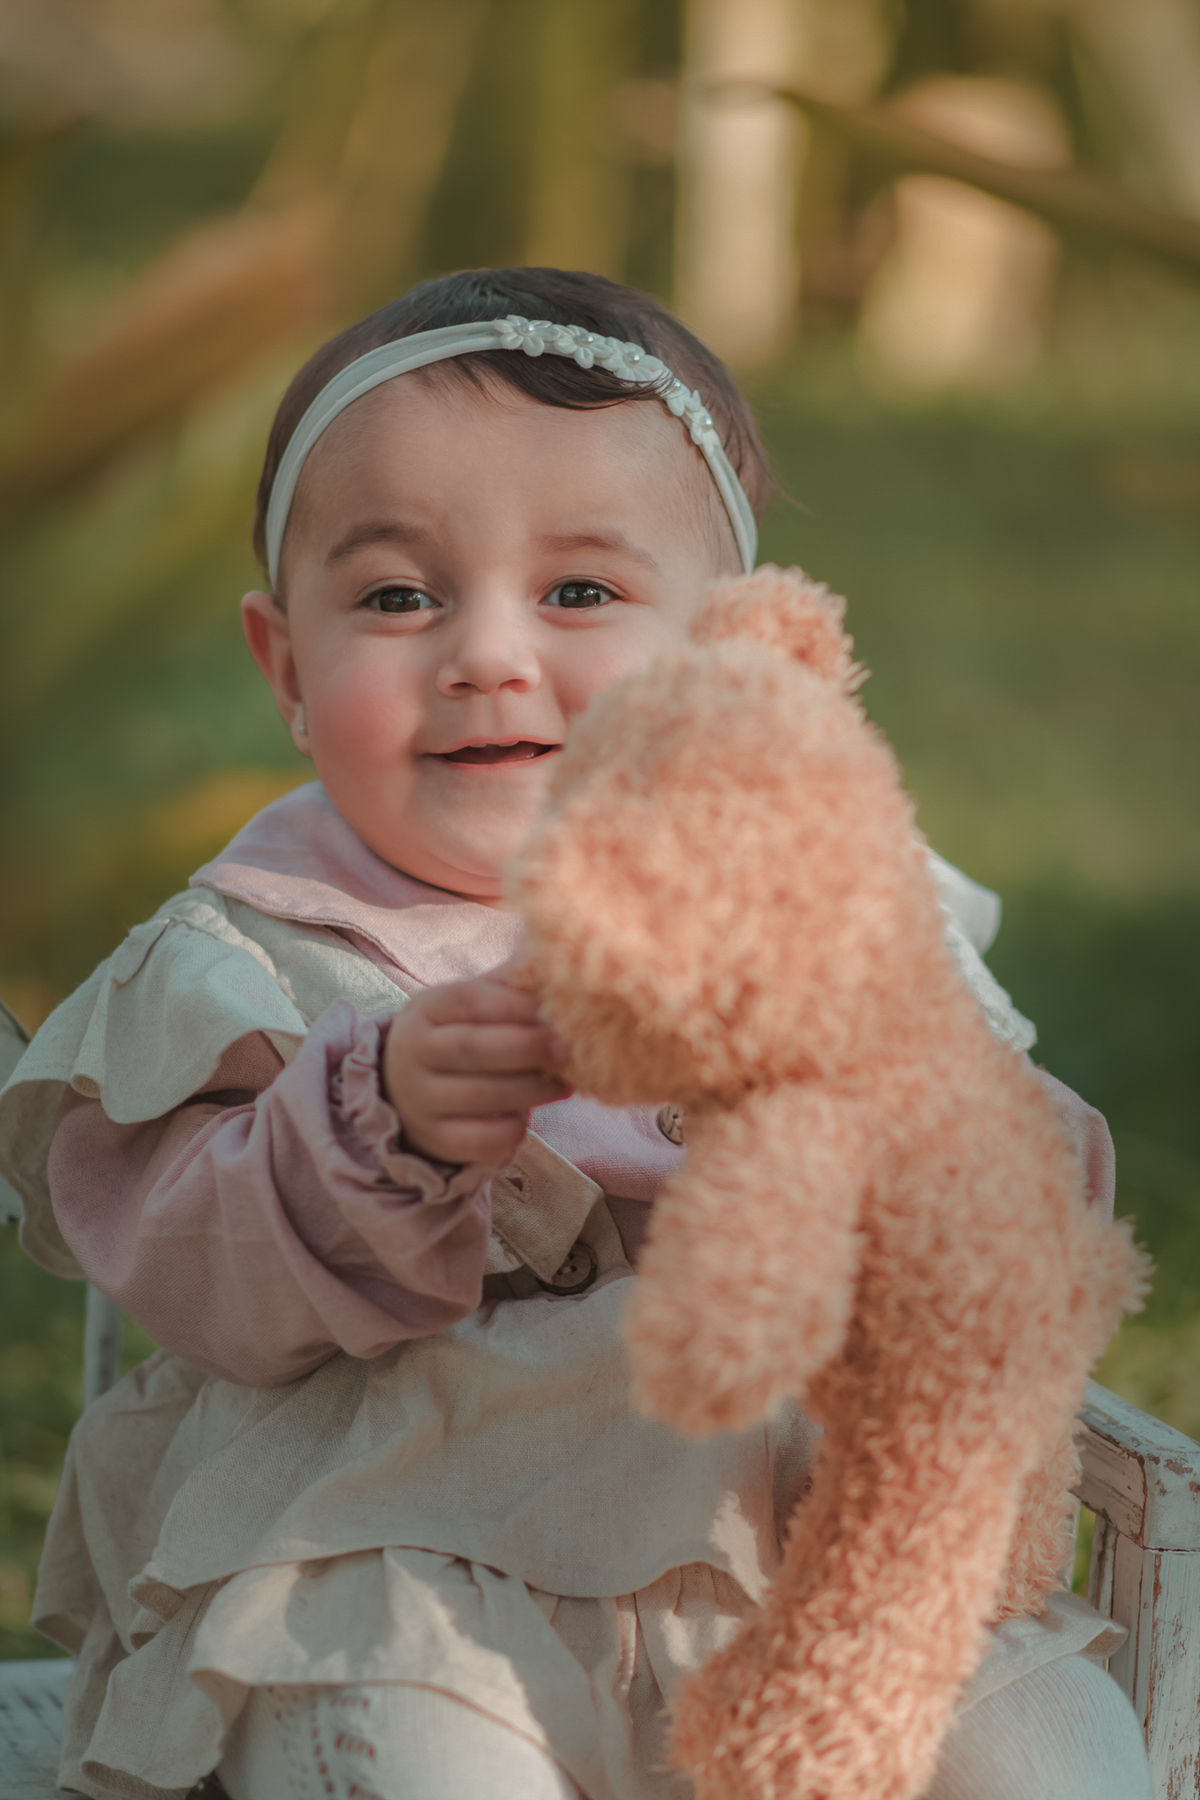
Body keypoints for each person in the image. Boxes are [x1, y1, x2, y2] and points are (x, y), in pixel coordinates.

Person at [0, 267, 1153, 1800]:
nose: (484, 653)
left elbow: (1015, 1218)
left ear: (735, 653)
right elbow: (186, 1273)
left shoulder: (840, 913)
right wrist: (377, 1123)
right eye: (399, 595)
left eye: (583, 593)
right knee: (407, 1748)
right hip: (400, 1552)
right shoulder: (254, 954)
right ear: (285, 665)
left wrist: (943, 1130)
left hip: (790, 1553)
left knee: (1060, 1747)